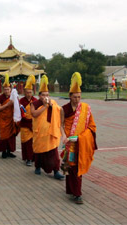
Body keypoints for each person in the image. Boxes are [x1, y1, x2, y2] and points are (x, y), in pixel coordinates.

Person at [61, 72, 97, 204]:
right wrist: (64, 136)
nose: (77, 99)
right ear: (69, 96)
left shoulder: (86, 109)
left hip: (81, 143)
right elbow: (61, 124)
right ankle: (72, 190)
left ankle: (77, 194)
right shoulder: (64, 109)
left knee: (77, 168)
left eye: (79, 97)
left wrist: (81, 137)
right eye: (75, 97)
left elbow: (92, 126)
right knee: (71, 167)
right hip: (69, 144)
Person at [30, 75, 64, 180]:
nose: (46, 97)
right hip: (39, 133)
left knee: (53, 154)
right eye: (43, 95)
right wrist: (45, 106)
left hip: (51, 133)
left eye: (47, 95)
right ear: (39, 95)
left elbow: (60, 110)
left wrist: (53, 108)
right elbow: (34, 114)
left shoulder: (52, 103)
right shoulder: (34, 103)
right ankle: (38, 167)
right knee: (39, 152)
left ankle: (56, 171)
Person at [0, 74, 18, 158]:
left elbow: (17, 107)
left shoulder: (13, 97)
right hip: (3, 119)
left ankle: (9, 151)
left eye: (8, 89)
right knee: (4, 136)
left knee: (11, 136)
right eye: (5, 89)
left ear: (11, 89)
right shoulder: (0, 97)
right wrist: (7, 104)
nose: (6, 91)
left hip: (11, 119)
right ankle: (4, 152)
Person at [19, 75, 37, 166]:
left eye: (30, 92)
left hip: (33, 124)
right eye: (27, 92)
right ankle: (28, 158)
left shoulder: (35, 100)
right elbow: (20, 113)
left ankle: (33, 157)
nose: (29, 94)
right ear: (24, 92)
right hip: (25, 124)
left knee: (33, 143)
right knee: (26, 142)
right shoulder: (21, 101)